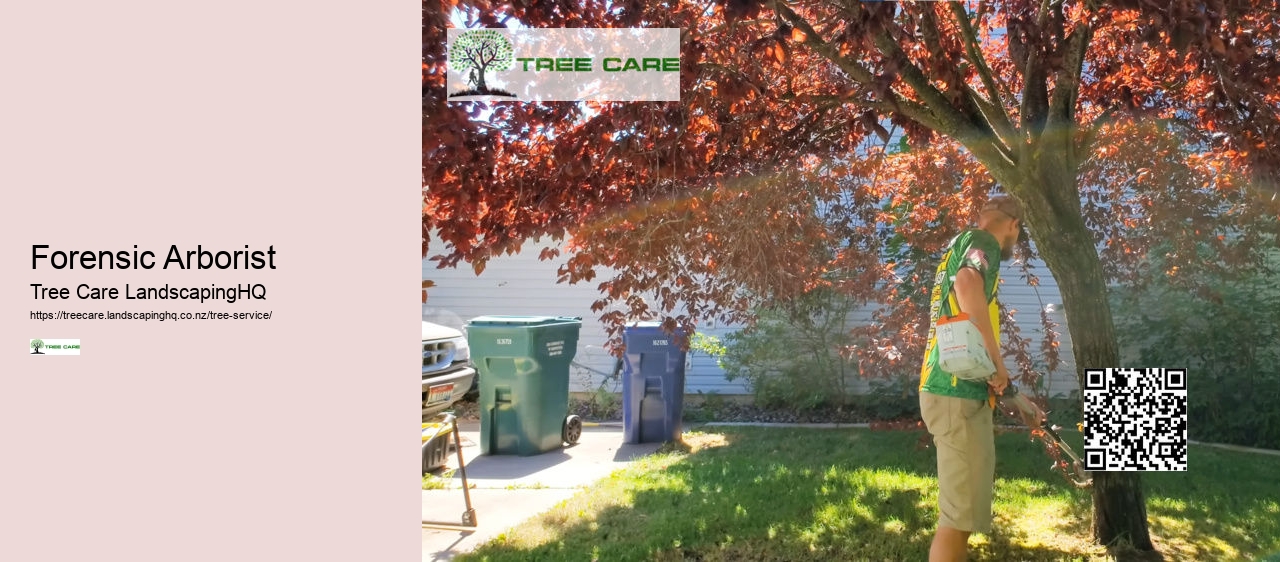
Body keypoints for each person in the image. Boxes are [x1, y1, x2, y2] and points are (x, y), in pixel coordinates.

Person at [918, 194, 1026, 562]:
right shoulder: (983, 242)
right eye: (1018, 232)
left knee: (960, 520)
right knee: (957, 522)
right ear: (1012, 224)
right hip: (955, 393)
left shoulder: (959, 245)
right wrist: (998, 364)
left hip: (955, 390)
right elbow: (967, 284)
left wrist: (1014, 395)